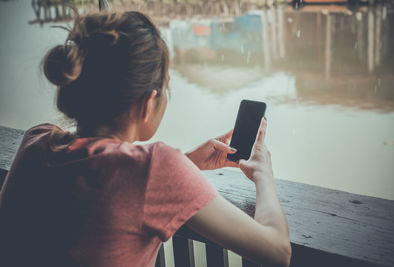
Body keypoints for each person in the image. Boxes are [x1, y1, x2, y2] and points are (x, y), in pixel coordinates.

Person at [0, 11, 291, 267]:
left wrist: (186, 165)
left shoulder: (36, 141)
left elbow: (107, 182)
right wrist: (263, 174)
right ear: (148, 103)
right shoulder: (155, 169)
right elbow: (277, 252)